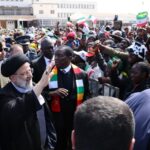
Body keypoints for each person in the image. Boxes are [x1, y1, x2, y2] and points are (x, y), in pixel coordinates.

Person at [0, 54, 56, 150]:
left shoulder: (34, 87)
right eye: (24, 73)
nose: (30, 75)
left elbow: (47, 120)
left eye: (30, 70)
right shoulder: (4, 96)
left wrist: (50, 142)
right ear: (12, 78)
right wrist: (41, 84)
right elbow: (20, 107)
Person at [49, 45, 90, 150]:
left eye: (60, 56)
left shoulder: (82, 74)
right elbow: (41, 92)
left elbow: (87, 95)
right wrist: (52, 93)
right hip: (57, 117)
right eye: (55, 56)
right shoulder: (48, 73)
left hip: (74, 116)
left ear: (70, 57)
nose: (56, 59)